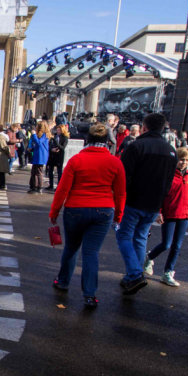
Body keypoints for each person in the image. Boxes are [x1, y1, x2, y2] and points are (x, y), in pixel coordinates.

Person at [49, 122, 126, 308]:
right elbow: (121, 192)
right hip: (103, 211)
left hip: (75, 209)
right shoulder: (115, 162)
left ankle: (63, 281)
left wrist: (54, 212)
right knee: (91, 253)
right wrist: (118, 216)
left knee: (71, 248)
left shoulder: (76, 160)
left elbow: (62, 189)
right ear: (107, 141)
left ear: (87, 140)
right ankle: (90, 294)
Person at [115, 113, 178, 296]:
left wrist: (119, 200)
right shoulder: (171, 150)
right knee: (140, 238)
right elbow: (169, 182)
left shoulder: (137, 146)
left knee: (124, 236)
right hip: (153, 203)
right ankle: (133, 274)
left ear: (144, 127)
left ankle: (134, 274)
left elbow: (124, 177)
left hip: (134, 201)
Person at [143, 147, 188, 287]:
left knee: (177, 246)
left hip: (184, 215)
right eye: (181, 160)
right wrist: (159, 211)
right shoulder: (168, 175)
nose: (184, 162)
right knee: (166, 244)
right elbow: (160, 195)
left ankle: (168, 272)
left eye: (187, 160)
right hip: (170, 214)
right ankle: (150, 257)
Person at [26, 121, 49, 193]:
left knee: (38, 172)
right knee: (33, 171)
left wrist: (33, 135)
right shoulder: (40, 135)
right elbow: (37, 144)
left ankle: (38, 187)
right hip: (37, 154)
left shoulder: (45, 135)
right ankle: (33, 186)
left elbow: (39, 143)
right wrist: (31, 148)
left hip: (41, 156)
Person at [46, 123, 69, 191]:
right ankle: (51, 185)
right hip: (52, 155)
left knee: (59, 172)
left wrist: (57, 144)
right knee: (50, 170)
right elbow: (49, 145)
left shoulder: (65, 138)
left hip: (59, 156)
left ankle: (59, 186)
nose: (58, 131)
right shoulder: (54, 136)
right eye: (57, 130)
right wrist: (51, 149)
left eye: (59, 130)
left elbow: (63, 147)